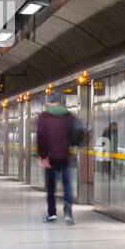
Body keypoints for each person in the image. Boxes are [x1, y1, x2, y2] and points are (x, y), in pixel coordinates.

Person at [36, 92, 76, 224]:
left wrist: (42, 156)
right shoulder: (69, 116)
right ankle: (68, 213)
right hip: (65, 155)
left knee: (51, 186)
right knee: (66, 184)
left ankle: (52, 213)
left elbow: (41, 136)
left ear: (50, 102)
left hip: (50, 158)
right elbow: (75, 133)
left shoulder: (44, 116)